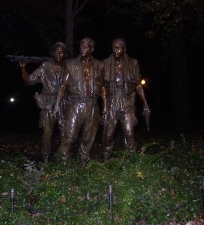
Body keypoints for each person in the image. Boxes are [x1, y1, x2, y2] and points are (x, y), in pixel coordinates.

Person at [54, 37, 108, 165]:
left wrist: (105, 105)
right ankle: (61, 163)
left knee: (88, 138)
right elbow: (63, 86)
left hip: (93, 105)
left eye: (85, 46)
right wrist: (57, 104)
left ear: (92, 49)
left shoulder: (100, 65)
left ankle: (83, 165)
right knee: (70, 136)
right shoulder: (71, 64)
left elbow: (103, 87)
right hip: (75, 104)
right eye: (81, 46)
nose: (82, 48)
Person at [19, 42, 69, 162]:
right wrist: (23, 68)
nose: (59, 53)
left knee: (65, 132)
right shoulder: (45, 66)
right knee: (47, 133)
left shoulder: (69, 67)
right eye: (56, 51)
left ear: (65, 54)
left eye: (61, 51)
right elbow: (28, 81)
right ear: (53, 53)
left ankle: (63, 158)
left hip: (64, 103)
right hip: (48, 103)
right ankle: (45, 159)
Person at [102, 38, 151, 161]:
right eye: (114, 47)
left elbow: (138, 85)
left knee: (129, 132)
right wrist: (105, 104)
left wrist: (145, 103)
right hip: (112, 102)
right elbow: (101, 86)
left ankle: (131, 159)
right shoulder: (105, 63)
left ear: (124, 49)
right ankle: (106, 160)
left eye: (118, 47)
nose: (116, 50)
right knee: (108, 134)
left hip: (127, 101)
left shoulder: (133, 63)